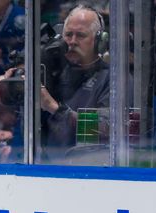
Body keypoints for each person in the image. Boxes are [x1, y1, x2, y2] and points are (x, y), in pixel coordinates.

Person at [37, 5, 112, 155]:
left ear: (100, 40)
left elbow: (106, 130)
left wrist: (54, 108)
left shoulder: (112, 79)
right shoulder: (52, 72)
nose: (72, 41)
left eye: (81, 35)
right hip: (46, 165)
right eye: (68, 34)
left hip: (88, 166)